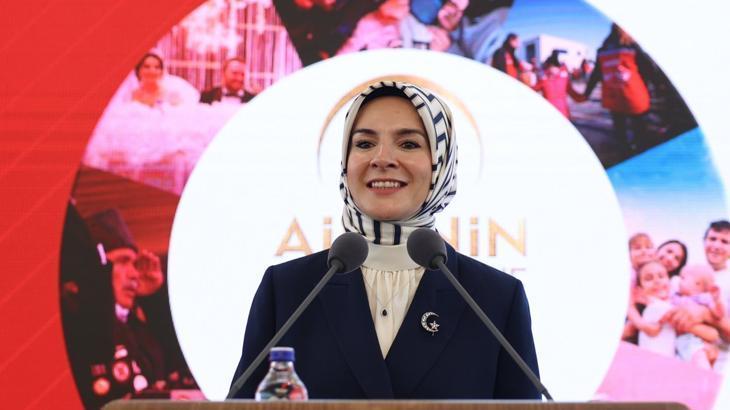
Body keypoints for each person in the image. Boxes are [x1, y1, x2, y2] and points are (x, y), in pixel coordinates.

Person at [231, 81, 541, 399]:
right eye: (365, 143)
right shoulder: (288, 290)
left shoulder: (494, 299)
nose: (382, 159)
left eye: (408, 144)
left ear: (441, 163)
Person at [583, 24, 656, 153]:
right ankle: (640, 151)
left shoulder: (602, 50)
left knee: (620, 131)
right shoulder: (632, 47)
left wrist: (586, 93)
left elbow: (596, 74)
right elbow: (649, 69)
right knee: (640, 131)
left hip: (614, 98)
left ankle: (625, 151)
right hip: (635, 97)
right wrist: (652, 86)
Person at [532, 51, 586, 119]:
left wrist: (583, 97)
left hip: (556, 113)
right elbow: (572, 93)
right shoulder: (547, 79)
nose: (553, 69)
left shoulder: (546, 79)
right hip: (558, 113)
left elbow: (571, 92)